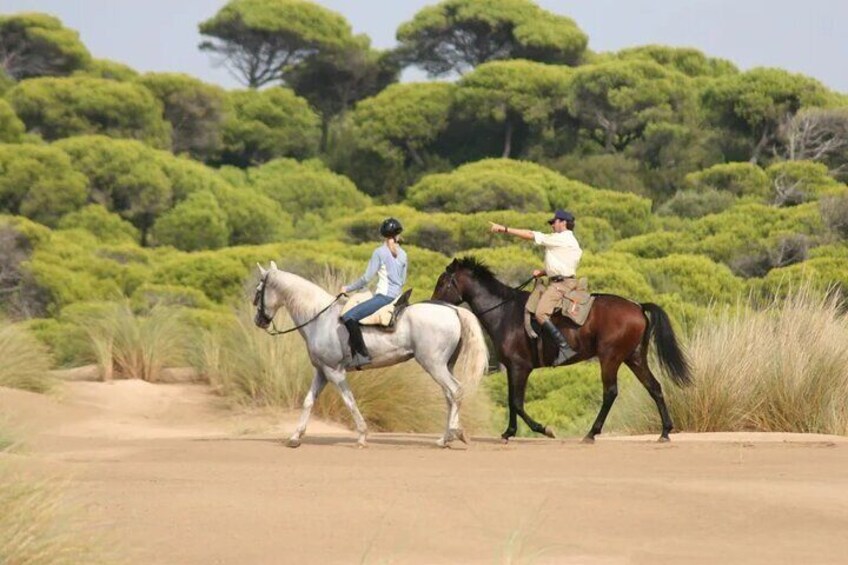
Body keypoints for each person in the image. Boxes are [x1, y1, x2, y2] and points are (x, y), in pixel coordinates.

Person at [489, 209, 581, 366]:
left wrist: (504, 229)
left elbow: (531, 235)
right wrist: (543, 272)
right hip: (563, 280)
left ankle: (565, 348)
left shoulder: (561, 238)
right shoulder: (571, 241)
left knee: (540, 313)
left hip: (560, 284)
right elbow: (564, 264)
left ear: (563, 223)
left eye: (554, 222)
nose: (552, 225)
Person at [340, 217, 408, 368]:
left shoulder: (379, 252)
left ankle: (362, 355)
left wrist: (347, 288)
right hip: (398, 297)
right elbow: (403, 281)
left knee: (349, 317)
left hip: (384, 297)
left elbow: (366, 278)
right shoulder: (404, 254)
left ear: (383, 235)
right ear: (398, 235)